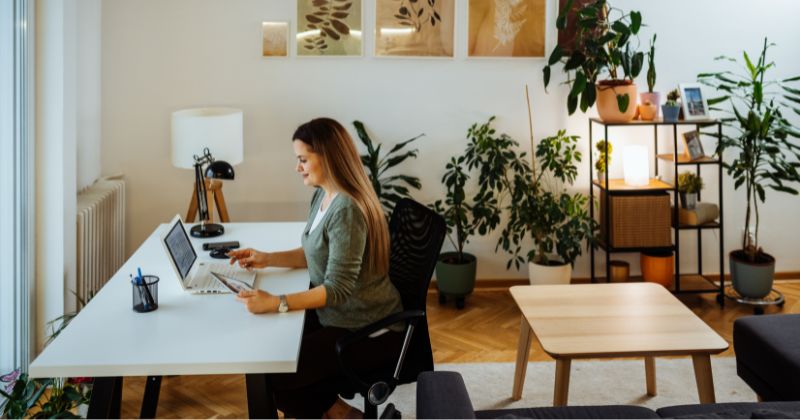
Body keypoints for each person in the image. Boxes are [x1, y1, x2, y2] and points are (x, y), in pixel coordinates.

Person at [227, 118, 404, 419]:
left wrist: (277, 302)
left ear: (329, 157)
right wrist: (267, 258)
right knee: (268, 357)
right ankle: (343, 414)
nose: (298, 168)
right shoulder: (323, 195)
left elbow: (337, 289)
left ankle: (341, 415)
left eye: (303, 159)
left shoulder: (346, 209)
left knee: (274, 375)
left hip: (368, 329)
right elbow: (314, 253)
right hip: (340, 315)